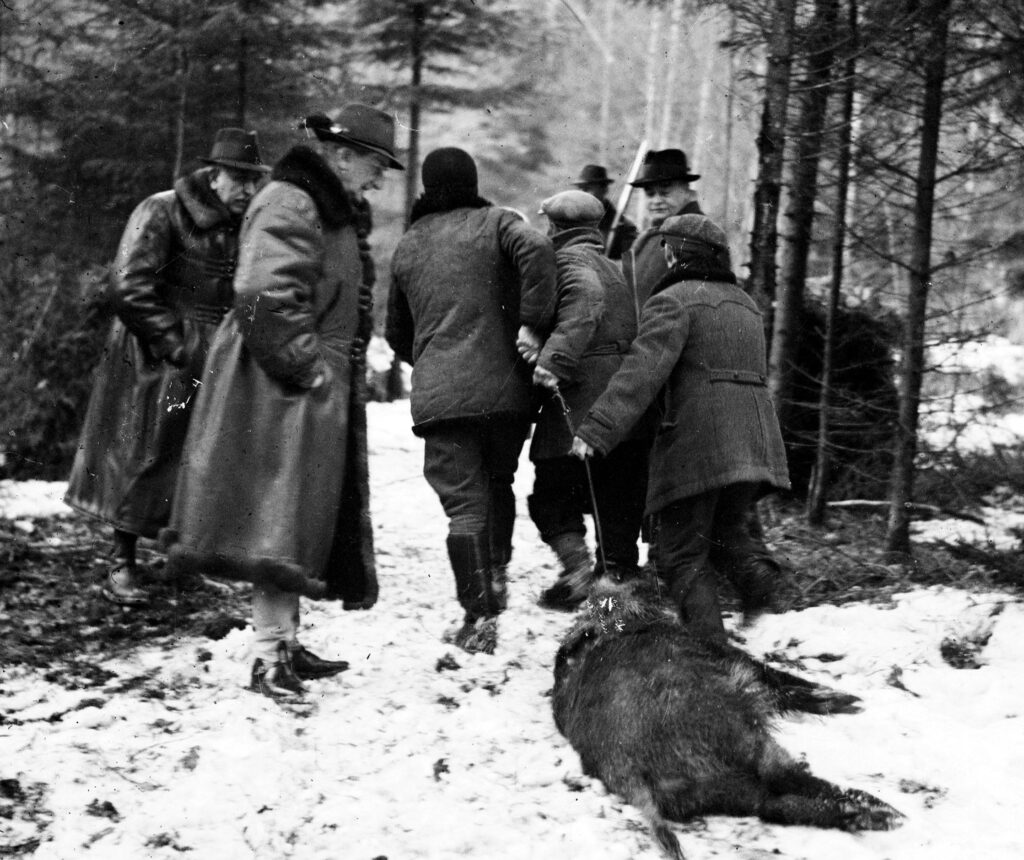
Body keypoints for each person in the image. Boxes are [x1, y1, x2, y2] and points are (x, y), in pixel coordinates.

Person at [162, 104, 403, 698]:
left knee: (293, 518)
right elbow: (260, 293)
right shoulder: (294, 201)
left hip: (295, 381)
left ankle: (283, 643)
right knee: (278, 518)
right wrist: (309, 367)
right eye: (375, 165)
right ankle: (267, 656)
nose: (380, 179)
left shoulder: (321, 204)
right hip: (276, 384)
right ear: (341, 156)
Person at [65, 128, 270, 606]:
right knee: (145, 452)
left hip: (212, 354)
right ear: (213, 174)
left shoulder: (244, 223)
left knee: (199, 457)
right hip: (154, 357)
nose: (246, 189)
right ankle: (122, 562)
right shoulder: (161, 210)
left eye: (252, 180)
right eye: (237, 179)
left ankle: (180, 559)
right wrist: (174, 344)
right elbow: (127, 285)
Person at [571, 214, 789, 643]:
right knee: (725, 534)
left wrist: (597, 429)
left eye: (667, 248)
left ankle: (712, 653)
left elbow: (641, 372)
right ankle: (757, 581)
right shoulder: (745, 303)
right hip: (757, 439)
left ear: (674, 252)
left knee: (680, 554)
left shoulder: (673, 300)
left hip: (702, 440)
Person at [386, 146, 557, 655]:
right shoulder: (498, 223)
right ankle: (497, 576)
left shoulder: (409, 244)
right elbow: (538, 250)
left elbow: (397, 334)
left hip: (443, 398)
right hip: (505, 392)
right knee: (498, 480)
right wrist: (531, 321)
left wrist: (435, 360)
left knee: (464, 506)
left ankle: (478, 616)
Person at [525, 190, 648, 610]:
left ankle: (580, 572)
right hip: (621, 401)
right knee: (615, 495)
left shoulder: (569, 262)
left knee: (551, 495)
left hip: (579, 399)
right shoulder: (610, 265)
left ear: (556, 229)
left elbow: (586, 301)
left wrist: (552, 359)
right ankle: (617, 582)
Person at [622, 148, 703, 311]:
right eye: (650, 194)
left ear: (687, 191)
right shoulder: (658, 233)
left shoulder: (697, 234)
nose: (656, 201)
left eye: (665, 192)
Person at [572, 164, 637, 260]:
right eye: (580, 189)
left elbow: (630, 265)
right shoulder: (569, 223)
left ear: (604, 189)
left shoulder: (624, 228)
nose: (582, 194)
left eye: (587, 189)